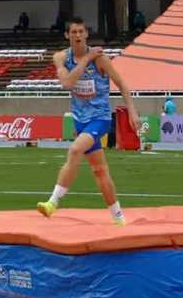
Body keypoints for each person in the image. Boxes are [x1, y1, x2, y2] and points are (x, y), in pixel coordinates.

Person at [36, 17, 140, 225]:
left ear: (86, 34)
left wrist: (132, 111)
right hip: (80, 120)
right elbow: (67, 83)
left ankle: (52, 203)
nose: (77, 36)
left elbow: (121, 83)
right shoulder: (60, 57)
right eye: (73, 32)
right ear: (67, 35)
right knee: (100, 171)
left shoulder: (100, 59)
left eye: (81, 32)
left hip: (100, 118)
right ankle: (118, 216)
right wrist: (85, 59)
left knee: (75, 150)